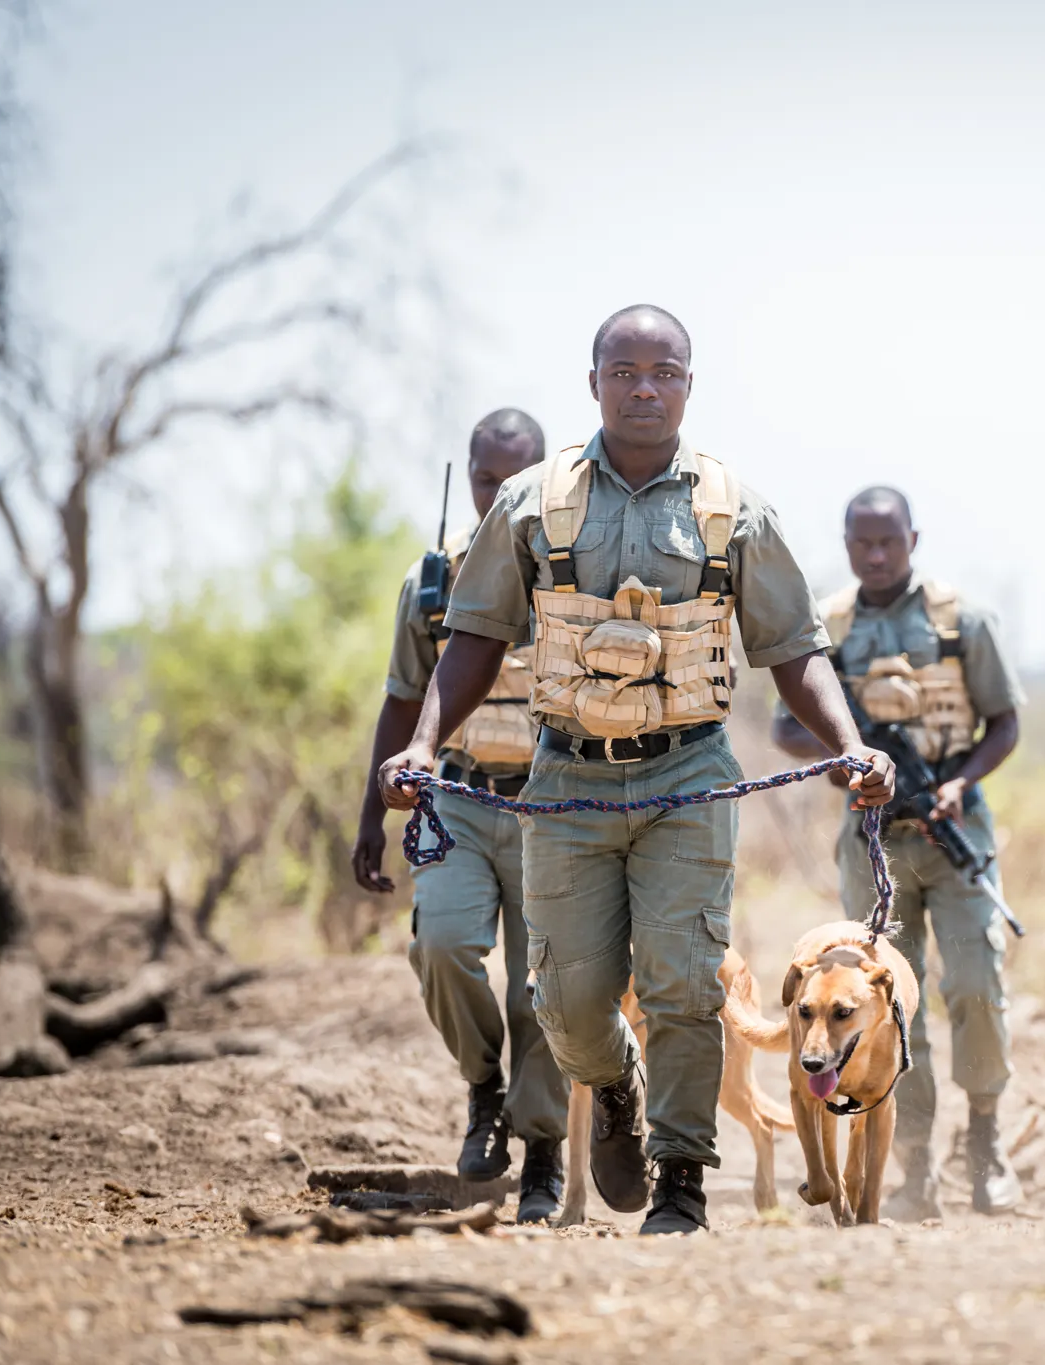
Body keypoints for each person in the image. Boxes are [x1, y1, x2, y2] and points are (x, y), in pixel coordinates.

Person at [377, 305, 894, 1236]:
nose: (645, 387)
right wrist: (419, 746)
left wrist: (850, 743)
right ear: (594, 384)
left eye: (665, 371)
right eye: (625, 371)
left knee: (684, 979)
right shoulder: (532, 501)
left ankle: (682, 1181)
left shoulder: (735, 508)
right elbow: (475, 638)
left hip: (688, 777)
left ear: (689, 385)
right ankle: (613, 1082)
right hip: (566, 780)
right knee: (567, 1001)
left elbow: (794, 647)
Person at [771, 486, 1025, 1220]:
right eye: (862, 543)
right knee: (883, 1009)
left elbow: (1005, 723)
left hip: (955, 834)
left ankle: (985, 1144)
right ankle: (912, 1167)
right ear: (847, 542)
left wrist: (957, 782)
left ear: (914, 538)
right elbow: (788, 725)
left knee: (976, 984)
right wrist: (846, 754)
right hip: (871, 837)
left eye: (889, 542)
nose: (876, 555)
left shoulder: (961, 621)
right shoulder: (831, 624)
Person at [351, 409, 571, 1223]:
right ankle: (485, 1088)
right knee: (441, 944)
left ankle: (543, 1147)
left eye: (520, 480)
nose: (501, 493)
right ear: (470, 475)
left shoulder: (571, 569)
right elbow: (402, 699)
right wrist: (371, 814)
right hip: (459, 795)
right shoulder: (434, 580)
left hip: (556, 801)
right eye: (488, 478)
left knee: (544, 984)